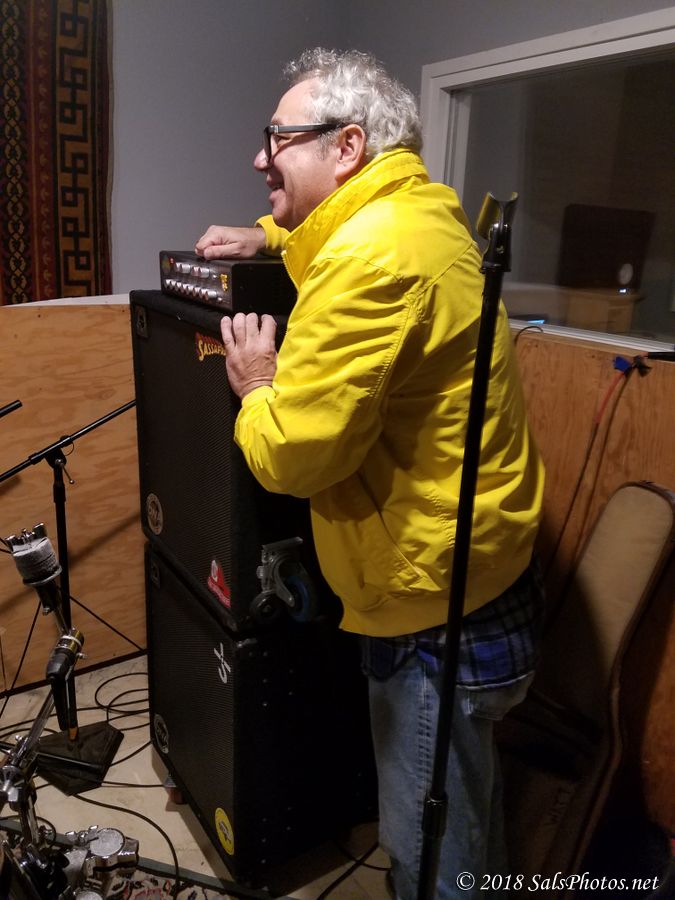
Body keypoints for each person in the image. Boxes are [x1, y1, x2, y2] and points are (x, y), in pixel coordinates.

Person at [195, 48, 545, 900]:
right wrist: (270, 234)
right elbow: (336, 233)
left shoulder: (370, 260)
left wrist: (257, 385)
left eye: (277, 138)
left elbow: (294, 459)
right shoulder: (417, 211)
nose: (258, 158)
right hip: (479, 572)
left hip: (430, 611)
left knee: (431, 851)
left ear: (347, 146)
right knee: (463, 804)